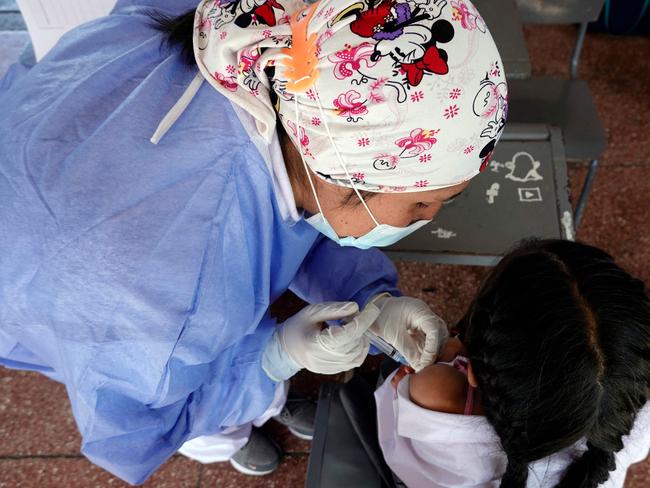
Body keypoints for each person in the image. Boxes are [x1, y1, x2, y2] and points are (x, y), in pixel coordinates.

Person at [0, 0, 506, 483]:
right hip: (58, 293)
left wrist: (369, 295)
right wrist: (273, 358)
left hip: (47, 155)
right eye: (423, 203)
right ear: (346, 174)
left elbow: (296, 209)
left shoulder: (267, 54)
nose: (429, 216)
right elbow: (139, 423)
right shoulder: (160, 312)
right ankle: (232, 436)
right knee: (205, 412)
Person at [376, 240, 650, 487]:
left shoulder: (437, 392)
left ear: (473, 373)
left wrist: (443, 355)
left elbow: (397, 399)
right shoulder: (632, 422)